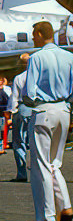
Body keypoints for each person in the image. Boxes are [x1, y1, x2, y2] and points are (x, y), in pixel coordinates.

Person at [21, 20, 73, 221]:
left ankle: (47, 216)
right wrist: (67, 101)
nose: (33, 38)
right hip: (63, 110)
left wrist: (29, 102)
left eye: (34, 34)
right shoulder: (69, 57)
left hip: (43, 110)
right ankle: (65, 206)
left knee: (40, 165)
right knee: (54, 163)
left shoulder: (37, 58)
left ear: (40, 34)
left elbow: (28, 92)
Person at [10, 54, 30, 182]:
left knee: (19, 142)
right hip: (38, 109)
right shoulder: (40, 77)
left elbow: (14, 99)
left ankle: (22, 173)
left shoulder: (19, 77)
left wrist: (11, 112)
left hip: (23, 109)